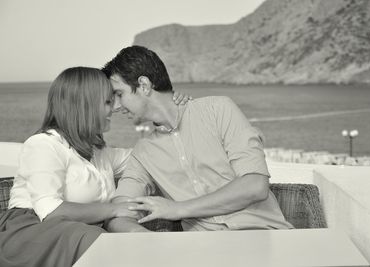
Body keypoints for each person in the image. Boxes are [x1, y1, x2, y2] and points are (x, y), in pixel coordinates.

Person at [0, 67, 189, 267]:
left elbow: (149, 155)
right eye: (108, 101)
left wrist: (169, 114)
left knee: (107, 241)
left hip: (78, 234)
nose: (115, 108)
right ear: (84, 104)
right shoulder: (43, 145)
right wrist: (114, 209)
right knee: (101, 241)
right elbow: (50, 211)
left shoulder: (99, 153)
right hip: (31, 233)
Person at [103, 45, 293, 232]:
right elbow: (120, 212)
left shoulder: (218, 110)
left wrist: (178, 209)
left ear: (144, 86)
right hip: (203, 251)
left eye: (120, 94)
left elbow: (255, 186)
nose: (116, 107)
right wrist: (145, 239)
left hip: (264, 234)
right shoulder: (143, 153)